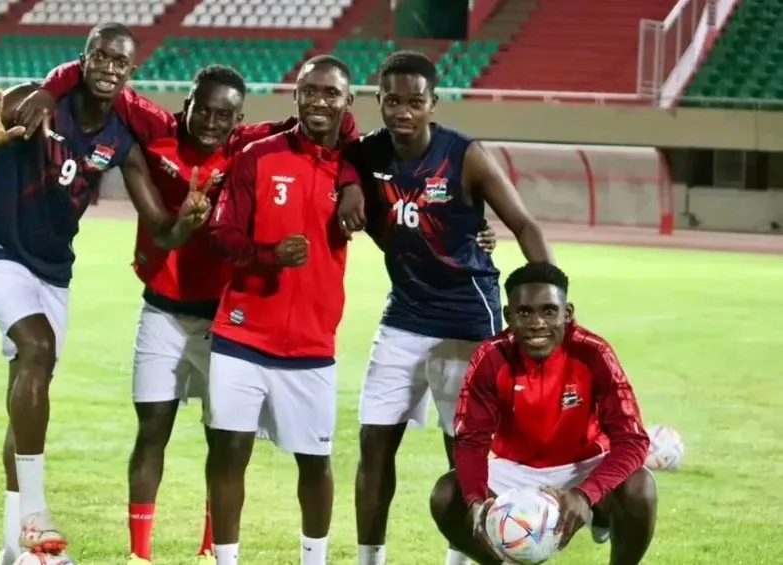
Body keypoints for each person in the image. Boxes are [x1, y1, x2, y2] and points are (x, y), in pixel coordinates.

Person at [14, 62, 365, 564]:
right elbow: (99, 76)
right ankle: (141, 554)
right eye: (203, 110)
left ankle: (209, 550)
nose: (211, 122)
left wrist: (349, 180)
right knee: (152, 429)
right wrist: (49, 91)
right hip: (163, 309)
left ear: (238, 118)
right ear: (187, 106)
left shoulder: (248, 145)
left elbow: (336, 130)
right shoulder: (157, 131)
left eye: (224, 115)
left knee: (221, 441)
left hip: (223, 318)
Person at [0, 23, 210, 565]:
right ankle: (35, 517)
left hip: (53, 270)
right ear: (83, 60)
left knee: (26, 397)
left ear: (130, 74)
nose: (108, 67)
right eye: (99, 56)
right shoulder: (32, 102)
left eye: (119, 62)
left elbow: (162, 227)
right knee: (37, 348)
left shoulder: (121, 143)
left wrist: (186, 223)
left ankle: (14, 548)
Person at [340, 51, 554, 565]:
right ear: (379, 101)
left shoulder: (464, 155)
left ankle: (461, 559)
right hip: (405, 315)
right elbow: (339, 156)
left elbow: (525, 226)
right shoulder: (367, 154)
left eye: (415, 101)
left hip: (467, 318)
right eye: (392, 100)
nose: (403, 111)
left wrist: (551, 299)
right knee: (373, 445)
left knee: (463, 453)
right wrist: (349, 185)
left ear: (433, 103)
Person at [204, 55, 363, 565]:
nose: (319, 100)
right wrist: (270, 256)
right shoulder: (257, 156)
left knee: (315, 463)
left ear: (347, 102)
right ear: (295, 96)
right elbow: (222, 234)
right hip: (242, 336)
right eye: (309, 90)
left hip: (313, 346)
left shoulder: (355, 166)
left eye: (330, 93)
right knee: (228, 453)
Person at [430, 262, 657, 565]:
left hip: (582, 463)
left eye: (549, 311)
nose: (537, 323)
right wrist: (475, 499)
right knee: (446, 495)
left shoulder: (594, 353)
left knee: (641, 487)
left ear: (568, 312)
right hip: (514, 469)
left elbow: (633, 440)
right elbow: (471, 441)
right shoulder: (490, 357)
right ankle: (502, 562)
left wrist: (587, 493)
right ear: (508, 316)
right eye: (524, 312)